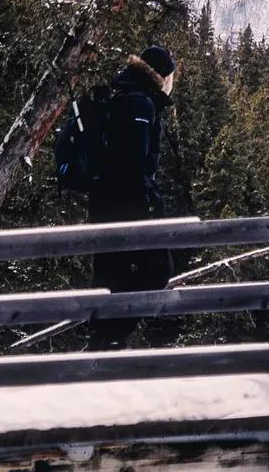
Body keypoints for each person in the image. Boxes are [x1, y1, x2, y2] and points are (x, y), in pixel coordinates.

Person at [89, 44, 177, 351]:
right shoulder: (141, 105)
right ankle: (110, 337)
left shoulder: (123, 94)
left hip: (102, 203)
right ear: (162, 76)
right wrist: (151, 205)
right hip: (127, 207)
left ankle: (103, 347)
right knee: (158, 271)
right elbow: (135, 164)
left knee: (110, 276)